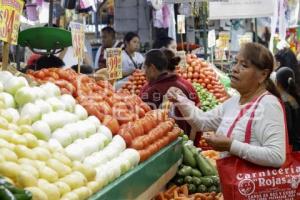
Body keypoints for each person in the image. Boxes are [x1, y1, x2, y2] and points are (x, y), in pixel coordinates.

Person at [167, 43, 286, 167]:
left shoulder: (268, 104)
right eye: (236, 62)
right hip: (233, 181)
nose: (235, 69)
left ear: (263, 75)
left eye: (244, 65)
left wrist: (231, 145)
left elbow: (277, 156)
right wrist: (180, 99)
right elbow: (202, 121)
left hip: (253, 183)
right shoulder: (234, 102)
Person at [140, 48, 200, 136]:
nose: (143, 72)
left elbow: (143, 126)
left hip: (166, 144)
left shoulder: (151, 91)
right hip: (190, 143)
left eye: (145, 67)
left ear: (152, 68)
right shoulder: (186, 85)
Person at [275, 67, 300, 151]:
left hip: (291, 147)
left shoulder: (284, 101)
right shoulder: (294, 97)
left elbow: (287, 128)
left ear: (277, 82)